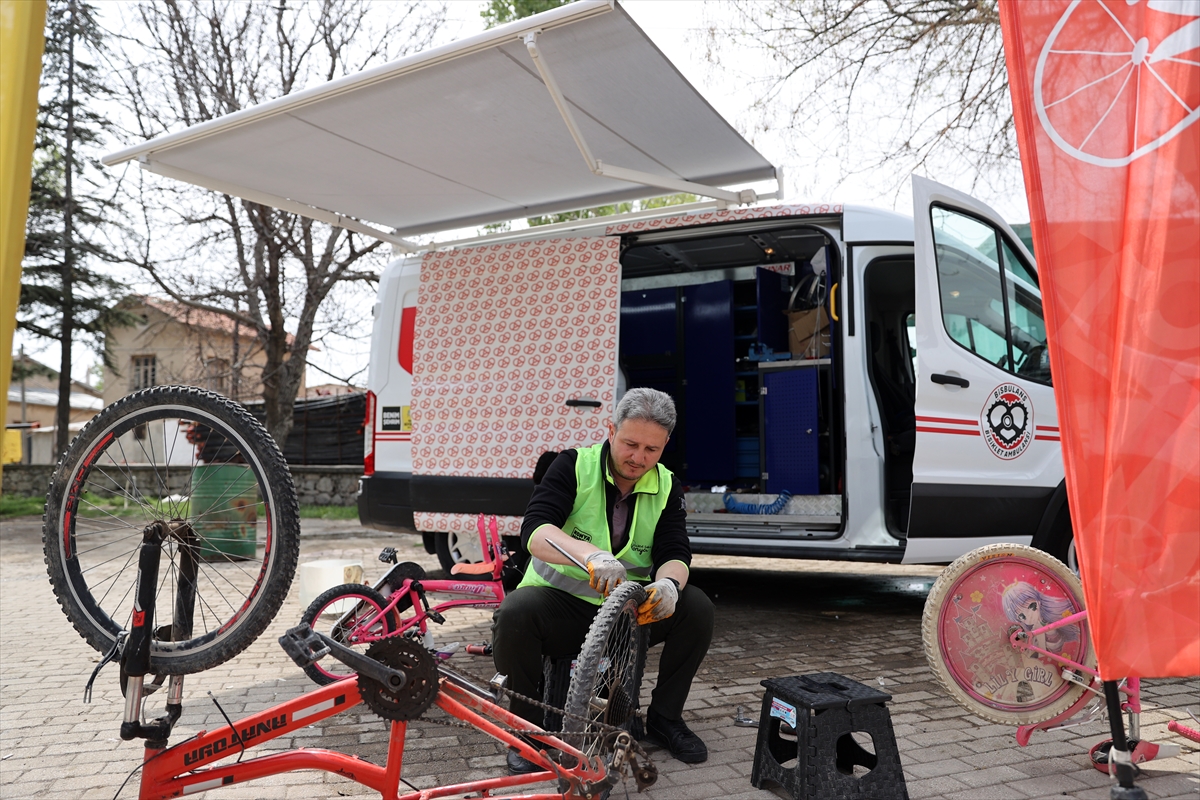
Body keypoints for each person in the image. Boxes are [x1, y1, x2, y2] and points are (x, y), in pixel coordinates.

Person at [492, 387, 715, 774]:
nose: (638, 458)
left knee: (696, 606)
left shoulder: (666, 485)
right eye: (630, 444)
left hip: (627, 616)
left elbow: (676, 552)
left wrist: (668, 587)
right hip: (563, 610)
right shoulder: (572, 466)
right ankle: (527, 733)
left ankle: (666, 719)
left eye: (652, 450)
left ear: (665, 446)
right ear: (610, 430)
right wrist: (591, 556)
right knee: (515, 612)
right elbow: (536, 529)